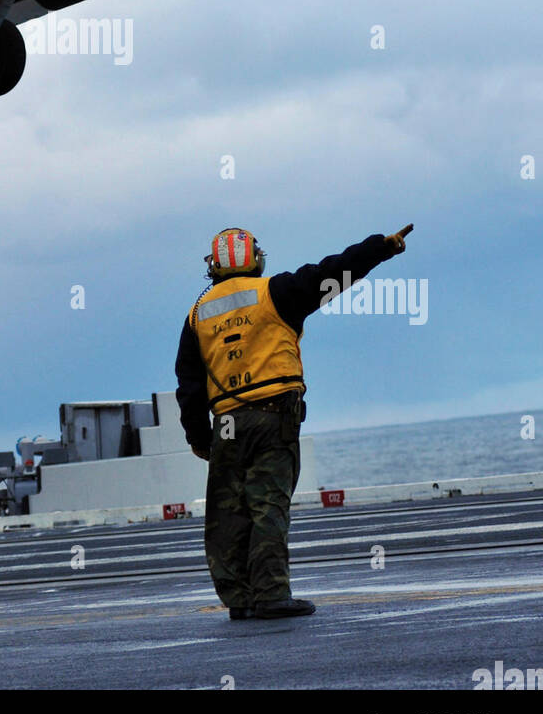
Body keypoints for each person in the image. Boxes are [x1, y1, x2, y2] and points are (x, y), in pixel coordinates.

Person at [175, 223, 413, 620]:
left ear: (212, 266)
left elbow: (189, 383)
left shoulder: (198, 313)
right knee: (268, 506)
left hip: (227, 425)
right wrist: (381, 247)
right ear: (256, 259)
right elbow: (334, 272)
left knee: (229, 513)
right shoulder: (276, 292)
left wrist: (199, 438)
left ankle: (240, 599)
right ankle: (270, 594)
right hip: (273, 416)